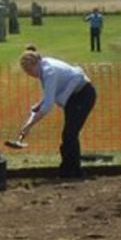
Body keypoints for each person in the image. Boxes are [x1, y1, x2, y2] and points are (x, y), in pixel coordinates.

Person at [17, 45, 97, 178]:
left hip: (83, 95)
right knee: (69, 134)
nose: (30, 75)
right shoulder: (43, 67)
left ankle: (74, 172)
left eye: (29, 71)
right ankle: (68, 170)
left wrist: (29, 126)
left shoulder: (49, 72)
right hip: (73, 96)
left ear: (34, 64)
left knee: (70, 134)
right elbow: (49, 95)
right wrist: (39, 104)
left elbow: (48, 106)